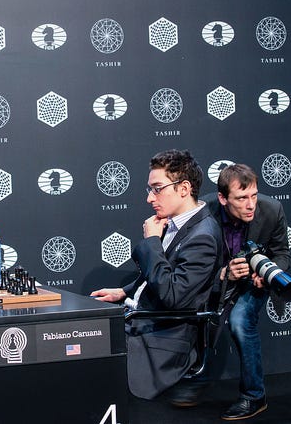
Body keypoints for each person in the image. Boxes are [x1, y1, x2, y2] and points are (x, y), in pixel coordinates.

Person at [91, 149, 222, 399]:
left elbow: (173, 296)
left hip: (161, 341)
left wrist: (152, 241)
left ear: (184, 188)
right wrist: (124, 291)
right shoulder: (176, 223)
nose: (150, 198)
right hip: (140, 322)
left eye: (157, 188)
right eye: (149, 189)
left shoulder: (202, 236)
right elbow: (160, 276)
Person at [172, 163, 291, 420]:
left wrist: (265, 275)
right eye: (241, 198)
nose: (251, 205)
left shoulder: (272, 210)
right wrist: (222, 274)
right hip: (214, 280)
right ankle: (192, 380)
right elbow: (187, 261)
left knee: (239, 321)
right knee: (194, 315)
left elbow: (282, 253)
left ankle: (254, 396)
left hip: (252, 282)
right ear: (223, 198)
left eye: (254, 195)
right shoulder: (202, 212)